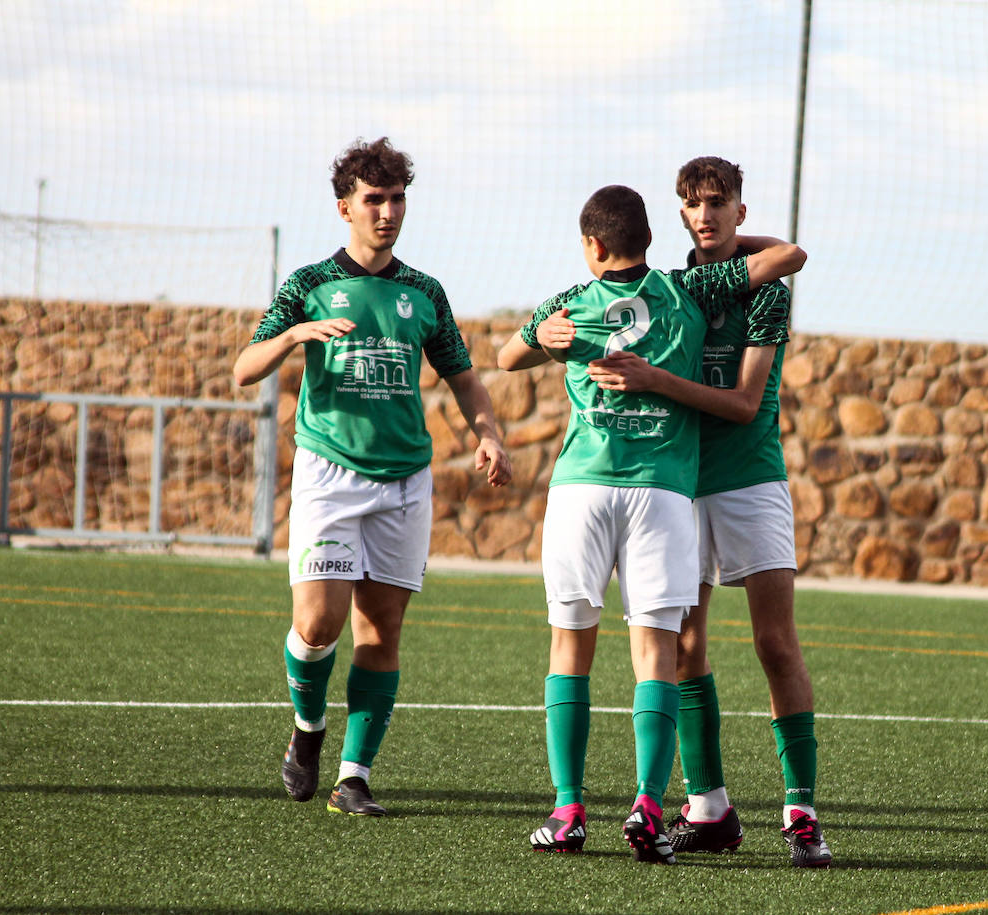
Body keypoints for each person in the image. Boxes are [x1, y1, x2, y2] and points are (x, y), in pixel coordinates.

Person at [497, 184, 805, 864]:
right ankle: (646, 802)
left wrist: (540, 339)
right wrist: (726, 244)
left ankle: (569, 809)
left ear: (593, 246)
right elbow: (784, 259)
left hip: (581, 489)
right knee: (657, 654)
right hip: (662, 494)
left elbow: (504, 357)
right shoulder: (689, 291)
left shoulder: (569, 304)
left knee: (570, 648)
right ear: (651, 238)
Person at [233, 137, 512, 817]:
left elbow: (464, 378)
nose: (387, 212)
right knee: (318, 622)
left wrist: (490, 434)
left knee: (381, 630)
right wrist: (296, 336)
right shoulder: (307, 285)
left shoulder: (424, 292)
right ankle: (307, 733)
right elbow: (244, 368)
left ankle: (353, 775)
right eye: (373, 200)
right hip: (330, 473)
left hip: (404, 481)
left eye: (396, 199)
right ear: (345, 208)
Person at [564, 157, 830, 867]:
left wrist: (656, 379)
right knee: (684, 649)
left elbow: (745, 406)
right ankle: (708, 807)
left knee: (775, 644)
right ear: (677, 215)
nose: (705, 214)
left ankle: (801, 811)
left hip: (750, 481)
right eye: (692, 204)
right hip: (677, 487)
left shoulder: (766, 292)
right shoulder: (674, 289)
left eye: (719, 203)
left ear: (740, 211)